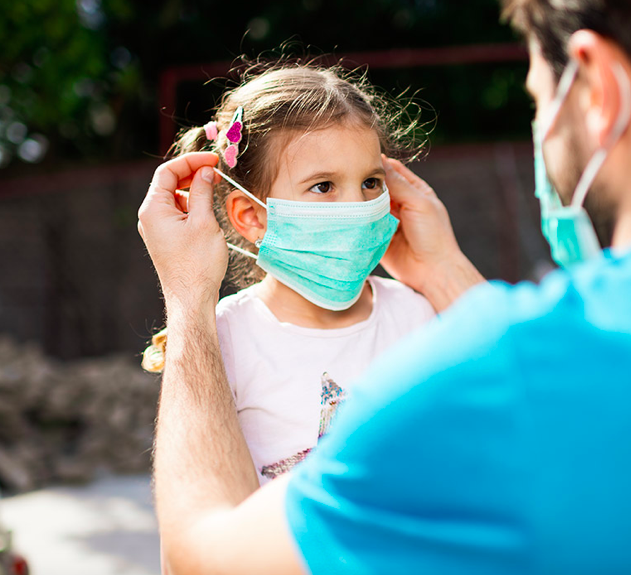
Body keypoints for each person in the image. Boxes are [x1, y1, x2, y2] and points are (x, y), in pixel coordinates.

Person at [137, 0, 631, 573]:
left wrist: (188, 298)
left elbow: (204, 558)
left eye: (538, 98)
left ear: (600, 91)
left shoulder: (506, 369)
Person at [141, 65, 435, 485]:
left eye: (371, 182)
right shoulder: (220, 340)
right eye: (323, 186)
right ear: (252, 217)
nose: (357, 205)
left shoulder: (416, 314)